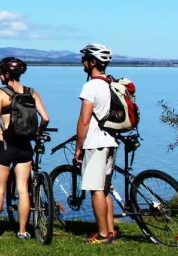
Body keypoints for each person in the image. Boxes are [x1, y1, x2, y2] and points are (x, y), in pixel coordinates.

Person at [0, 57, 50, 240]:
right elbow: (45, 118)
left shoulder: (1, 93)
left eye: (0, 72)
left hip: (4, 145)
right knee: (23, 189)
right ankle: (22, 231)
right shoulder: (32, 92)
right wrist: (37, 133)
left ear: (6, 74)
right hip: (25, 146)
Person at [74, 43, 119, 244]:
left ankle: (102, 235)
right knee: (105, 188)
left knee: (96, 189)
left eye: (85, 59)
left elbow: (84, 120)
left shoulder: (91, 86)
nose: (83, 62)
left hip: (95, 142)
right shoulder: (110, 83)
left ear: (92, 62)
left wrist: (78, 147)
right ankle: (110, 230)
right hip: (111, 140)